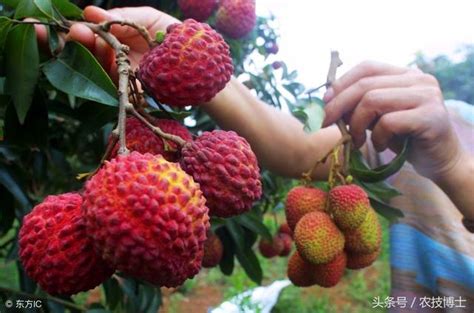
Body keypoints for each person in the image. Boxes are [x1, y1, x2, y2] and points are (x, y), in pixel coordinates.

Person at [35, 6, 474, 311]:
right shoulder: (431, 126)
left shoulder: (444, 140)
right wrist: (175, 50)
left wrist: (456, 167)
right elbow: (298, 150)